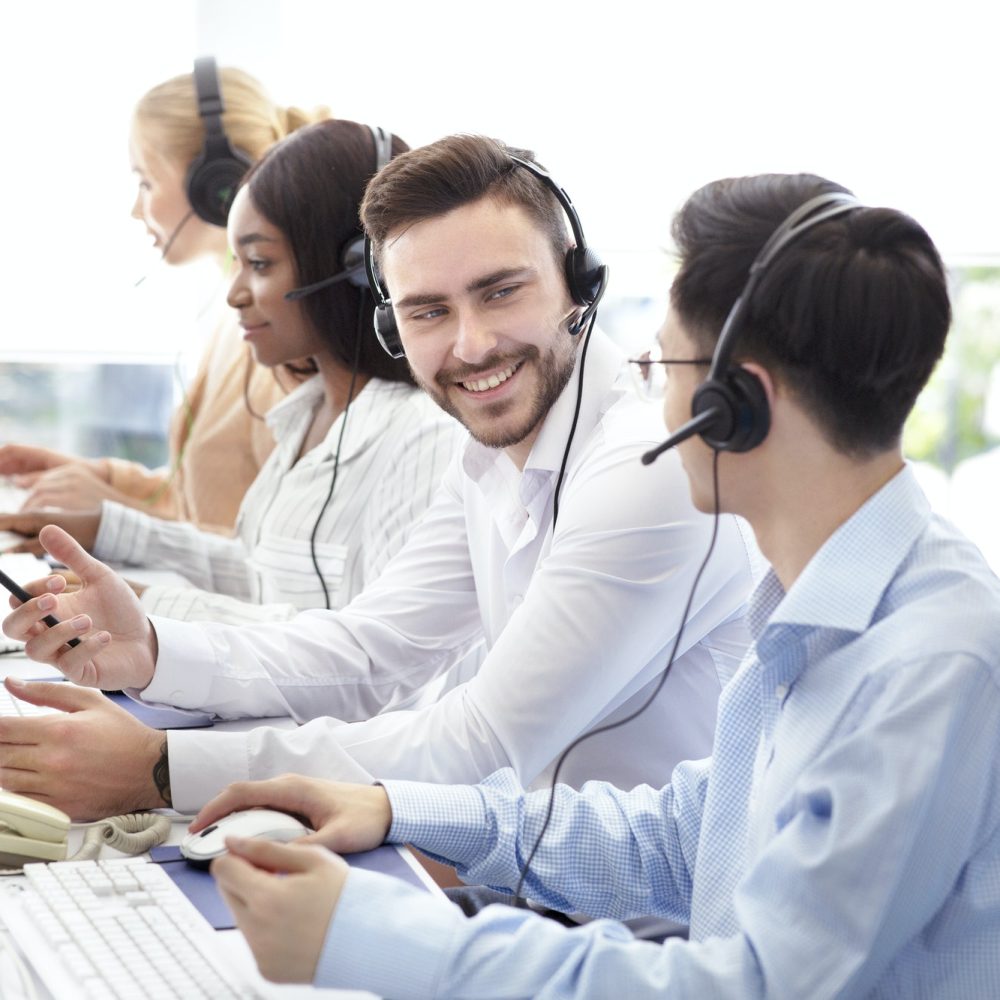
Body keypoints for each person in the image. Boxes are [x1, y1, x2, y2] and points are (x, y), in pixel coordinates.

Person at [193, 174, 999, 997]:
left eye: (665, 361)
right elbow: (687, 840)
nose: (650, 389)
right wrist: (398, 809)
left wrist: (378, 938)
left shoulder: (930, 663)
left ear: (735, 408)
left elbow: (756, 987)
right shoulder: (817, 611)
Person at [0, 135, 755, 823]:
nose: (472, 345)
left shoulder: (644, 469)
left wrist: (164, 770)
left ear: (578, 283)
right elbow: (373, 648)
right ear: (392, 327)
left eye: (501, 291)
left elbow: (480, 743)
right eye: (428, 311)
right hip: (524, 872)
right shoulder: (493, 452)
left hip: (630, 925)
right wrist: (153, 649)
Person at [0, 120, 461, 625]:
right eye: (237, 262)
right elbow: (259, 576)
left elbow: (369, 653)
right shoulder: (308, 415)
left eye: (260, 263)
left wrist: (141, 607)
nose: (234, 293)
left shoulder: (425, 437)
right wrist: (104, 530)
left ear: (359, 266)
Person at [0, 63, 326, 533]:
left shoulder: (280, 337)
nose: (136, 209)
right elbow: (203, 500)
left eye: (146, 182)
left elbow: (270, 552)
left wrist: (112, 512)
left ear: (217, 185)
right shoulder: (229, 319)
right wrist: (100, 478)